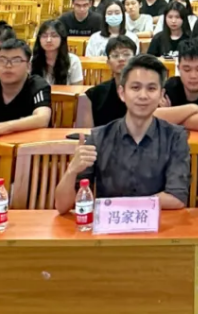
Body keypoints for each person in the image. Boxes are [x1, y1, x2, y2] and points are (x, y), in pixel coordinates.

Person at [55, 54, 189, 213]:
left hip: (158, 224)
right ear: (122, 93)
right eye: (135, 88)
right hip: (109, 225)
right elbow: (62, 206)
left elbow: (177, 197)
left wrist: (121, 208)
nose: (143, 95)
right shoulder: (98, 138)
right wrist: (72, 170)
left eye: (151, 88)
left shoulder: (175, 137)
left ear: (161, 95)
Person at [79, 36, 137, 127]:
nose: (121, 59)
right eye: (115, 55)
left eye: (126, 54)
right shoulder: (94, 95)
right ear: (108, 63)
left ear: (135, 60)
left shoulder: (147, 92)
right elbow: (86, 133)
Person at [31, 20, 84, 85]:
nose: (48, 40)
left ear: (62, 39)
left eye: (54, 36)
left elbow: (77, 88)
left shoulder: (73, 61)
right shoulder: (31, 61)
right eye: (44, 36)